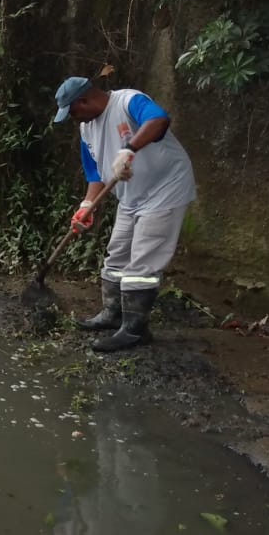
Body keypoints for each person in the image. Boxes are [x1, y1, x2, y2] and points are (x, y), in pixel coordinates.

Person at [53, 77, 196, 352]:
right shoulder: (86, 128)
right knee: (117, 253)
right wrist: (87, 205)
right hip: (131, 197)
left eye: (73, 112)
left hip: (164, 189)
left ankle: (135, 331)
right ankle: (112, 314)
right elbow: (95, 171)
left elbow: (159, 120)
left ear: (83, 101)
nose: (74, 119)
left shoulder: (128, 101)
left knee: (142, 263)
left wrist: (129, 149)